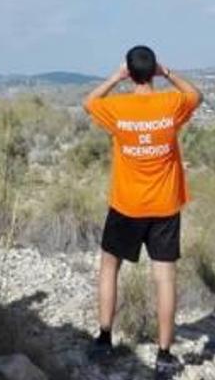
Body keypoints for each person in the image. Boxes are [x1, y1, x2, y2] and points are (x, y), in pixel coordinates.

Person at [83, 45, 203, 379]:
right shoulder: (172, 104)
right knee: (165, 278)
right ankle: (164, 354)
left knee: (109, 268)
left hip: (126, 205)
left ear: (129, 72)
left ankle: (105, 338)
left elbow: (88, 103)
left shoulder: (118, 108)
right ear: (153, 71)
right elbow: (197, 95)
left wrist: (113, 77)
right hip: (165, 206)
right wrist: (169, 73)